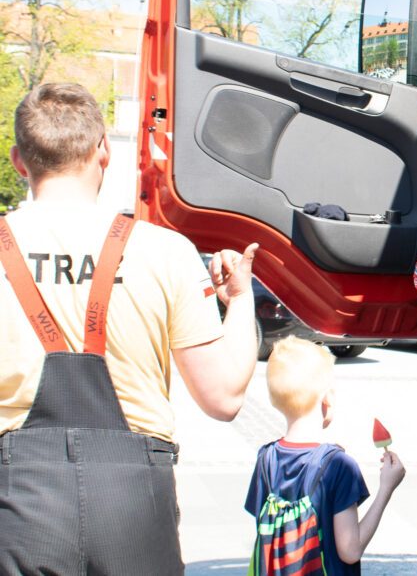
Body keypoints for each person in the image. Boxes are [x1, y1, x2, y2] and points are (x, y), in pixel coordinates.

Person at [0, 82, 259, 576]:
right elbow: (224, 398)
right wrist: (241, 301)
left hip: (16, 501)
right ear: (103, 150)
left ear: (18, 160)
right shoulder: (166, 251)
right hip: (135, 502)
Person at [245, 336, 406, 574]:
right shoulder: (339, 466)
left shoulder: (266, 459)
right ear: (327, 400)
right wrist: (386, 489)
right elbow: (350, 550)